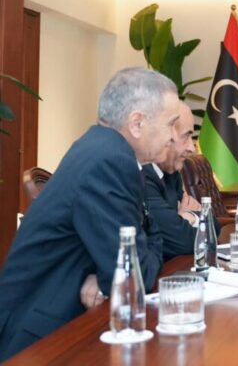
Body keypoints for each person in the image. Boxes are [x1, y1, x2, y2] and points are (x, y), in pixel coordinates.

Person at [0, 67, 180, 361]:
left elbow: (132, 257)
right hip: (38, 341)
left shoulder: (103, 148)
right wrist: (115, 273)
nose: (173, 137)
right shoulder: (110, 160)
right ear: (137, 123)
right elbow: (135, 276)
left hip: (66, 319)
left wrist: (108, 273)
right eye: (171, 124)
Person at [142, 102, 205, 261]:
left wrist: (187, 216)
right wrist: (182, 220)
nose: (192, 148)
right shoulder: (143, 176)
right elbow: (182, 241)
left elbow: (213, 224)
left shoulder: (171, 171)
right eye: (186, 136)